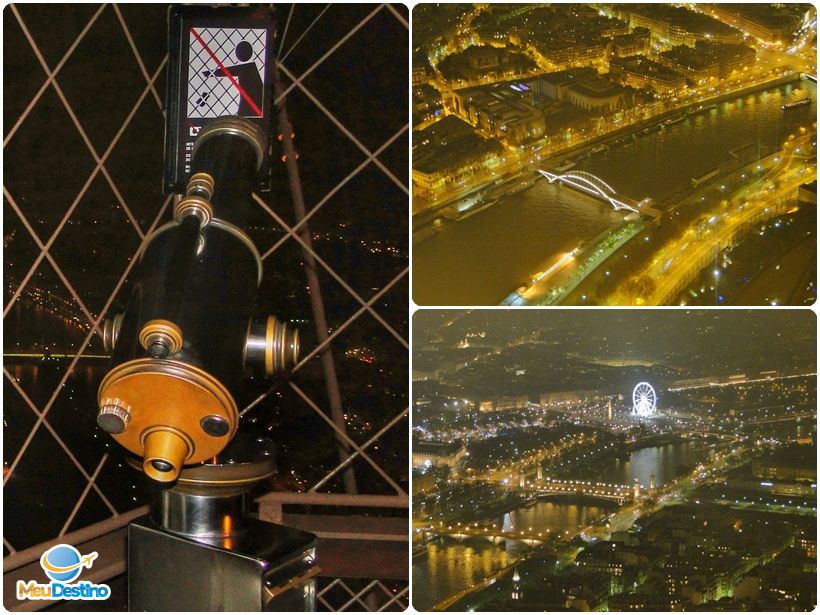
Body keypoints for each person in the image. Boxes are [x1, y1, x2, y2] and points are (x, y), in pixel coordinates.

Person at [203, 40, 263, 116]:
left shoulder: (248, 68)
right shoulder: (250, 68)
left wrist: (207, 73)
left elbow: (227, 71)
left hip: (251, 105)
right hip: (253, 105)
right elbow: (228, 71)